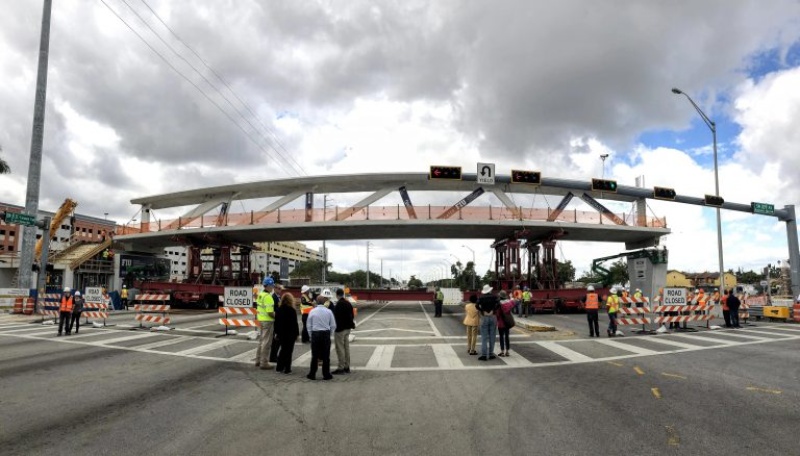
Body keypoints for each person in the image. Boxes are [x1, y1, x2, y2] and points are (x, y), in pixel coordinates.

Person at [306, 292, 337, 380]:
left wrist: (310, 335)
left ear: (316, 301)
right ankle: (326, 374)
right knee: (326, 355)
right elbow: (333, 325)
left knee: (314, 355)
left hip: (315, 334)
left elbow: (309, 325)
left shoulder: (312, 311)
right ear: (324, 302)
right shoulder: (329, 311)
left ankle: (312, 374)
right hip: (325, 334)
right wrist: (329, 333)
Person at [273, 293, 299, 374]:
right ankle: (287, 368)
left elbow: (276, 323)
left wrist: (276, 333)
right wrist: (297, 334)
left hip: (281, 333)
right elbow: (295, 323)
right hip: (290, 334)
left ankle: (279, 367)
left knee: (283, 350)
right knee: (289, 351)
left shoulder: (278, 310)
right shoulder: (292, 310)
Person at [332, 288, 355, 375]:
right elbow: (352, 315)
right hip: (348, 329)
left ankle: (340, 368)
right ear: (343, 294)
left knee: (340, 348)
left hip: (340, 330)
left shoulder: (338, 305)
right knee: (346, 348)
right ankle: (347, 367)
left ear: (337, 295)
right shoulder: (348, 303)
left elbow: (335, 317)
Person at [255, 277, 276, 369]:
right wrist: (277, 317)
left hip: (261, 320)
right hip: (267, 321)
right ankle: (264, 363)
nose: (273, 288)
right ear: (268, 286)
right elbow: (270, 312)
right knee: (266, 342)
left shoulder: (261, 294)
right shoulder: (268, 297)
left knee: (261, 341)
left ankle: (258, 360)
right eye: (272, 286)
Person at [475, 284, 498, 361]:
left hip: (484, 317)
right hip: (493, 317)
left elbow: (476, 305)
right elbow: (498, 304)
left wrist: (482, 311)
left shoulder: (481, 298)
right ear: (490, 290)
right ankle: (491, 354)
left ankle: (484, 355)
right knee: (492, 336)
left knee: (484, 337)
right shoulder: (494, 297)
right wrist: (493, 310)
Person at [495, 290, 515, 357]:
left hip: (501, 322)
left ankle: (502, 351)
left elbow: (497, 314)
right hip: (507, 322)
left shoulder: (499, 304)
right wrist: (511, 297)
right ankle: (507, 351)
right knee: (507, 336)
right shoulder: (509, 302)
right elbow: (513, 302)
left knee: (501, 337)